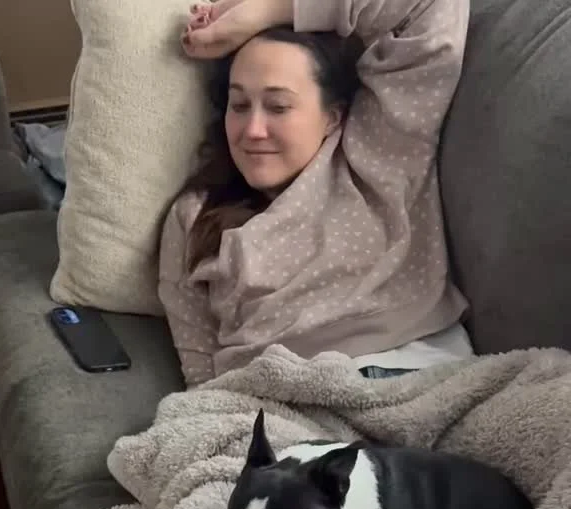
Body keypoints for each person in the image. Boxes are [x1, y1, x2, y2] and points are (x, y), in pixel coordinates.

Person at [158, 0, 473, 387]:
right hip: (274, 397)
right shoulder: (194, 215)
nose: (252, 130)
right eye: (238, 105)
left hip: (409, 375)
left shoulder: (378, 151)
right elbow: (200, 370)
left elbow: (432, 7)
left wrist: (267, 12)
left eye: (278, 106)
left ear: (332, 117)